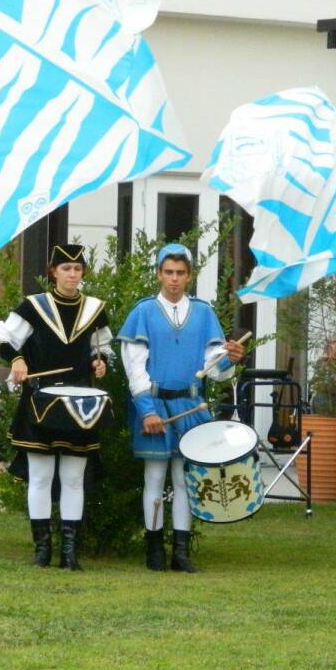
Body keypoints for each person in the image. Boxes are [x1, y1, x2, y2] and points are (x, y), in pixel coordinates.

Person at [118, 243, 244, 573]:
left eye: (180, 273)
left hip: (192, 406)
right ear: (159, 274)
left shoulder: (203, 313)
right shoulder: (143, 312)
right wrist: (147, 410)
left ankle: (181, 550)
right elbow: (134, 368)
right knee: (155, 478)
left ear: (189, 276)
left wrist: (229, 359)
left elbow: (214, 369)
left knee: (186, 479)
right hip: (155, 405)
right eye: (168, 272)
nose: (174, 279)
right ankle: (154, 549)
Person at [0, 244, 113, 570]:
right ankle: (42, 550)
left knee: (73, 478)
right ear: (53, 272)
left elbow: (103, 348)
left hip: (80, 404)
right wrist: (15, 358)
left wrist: (100, 363)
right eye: (65, 268)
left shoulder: (95, 309)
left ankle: (70, 554)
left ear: (83, 272)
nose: (72, 275)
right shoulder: (33, 307)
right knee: (40, 477)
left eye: (77, 269)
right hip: (40, 400)